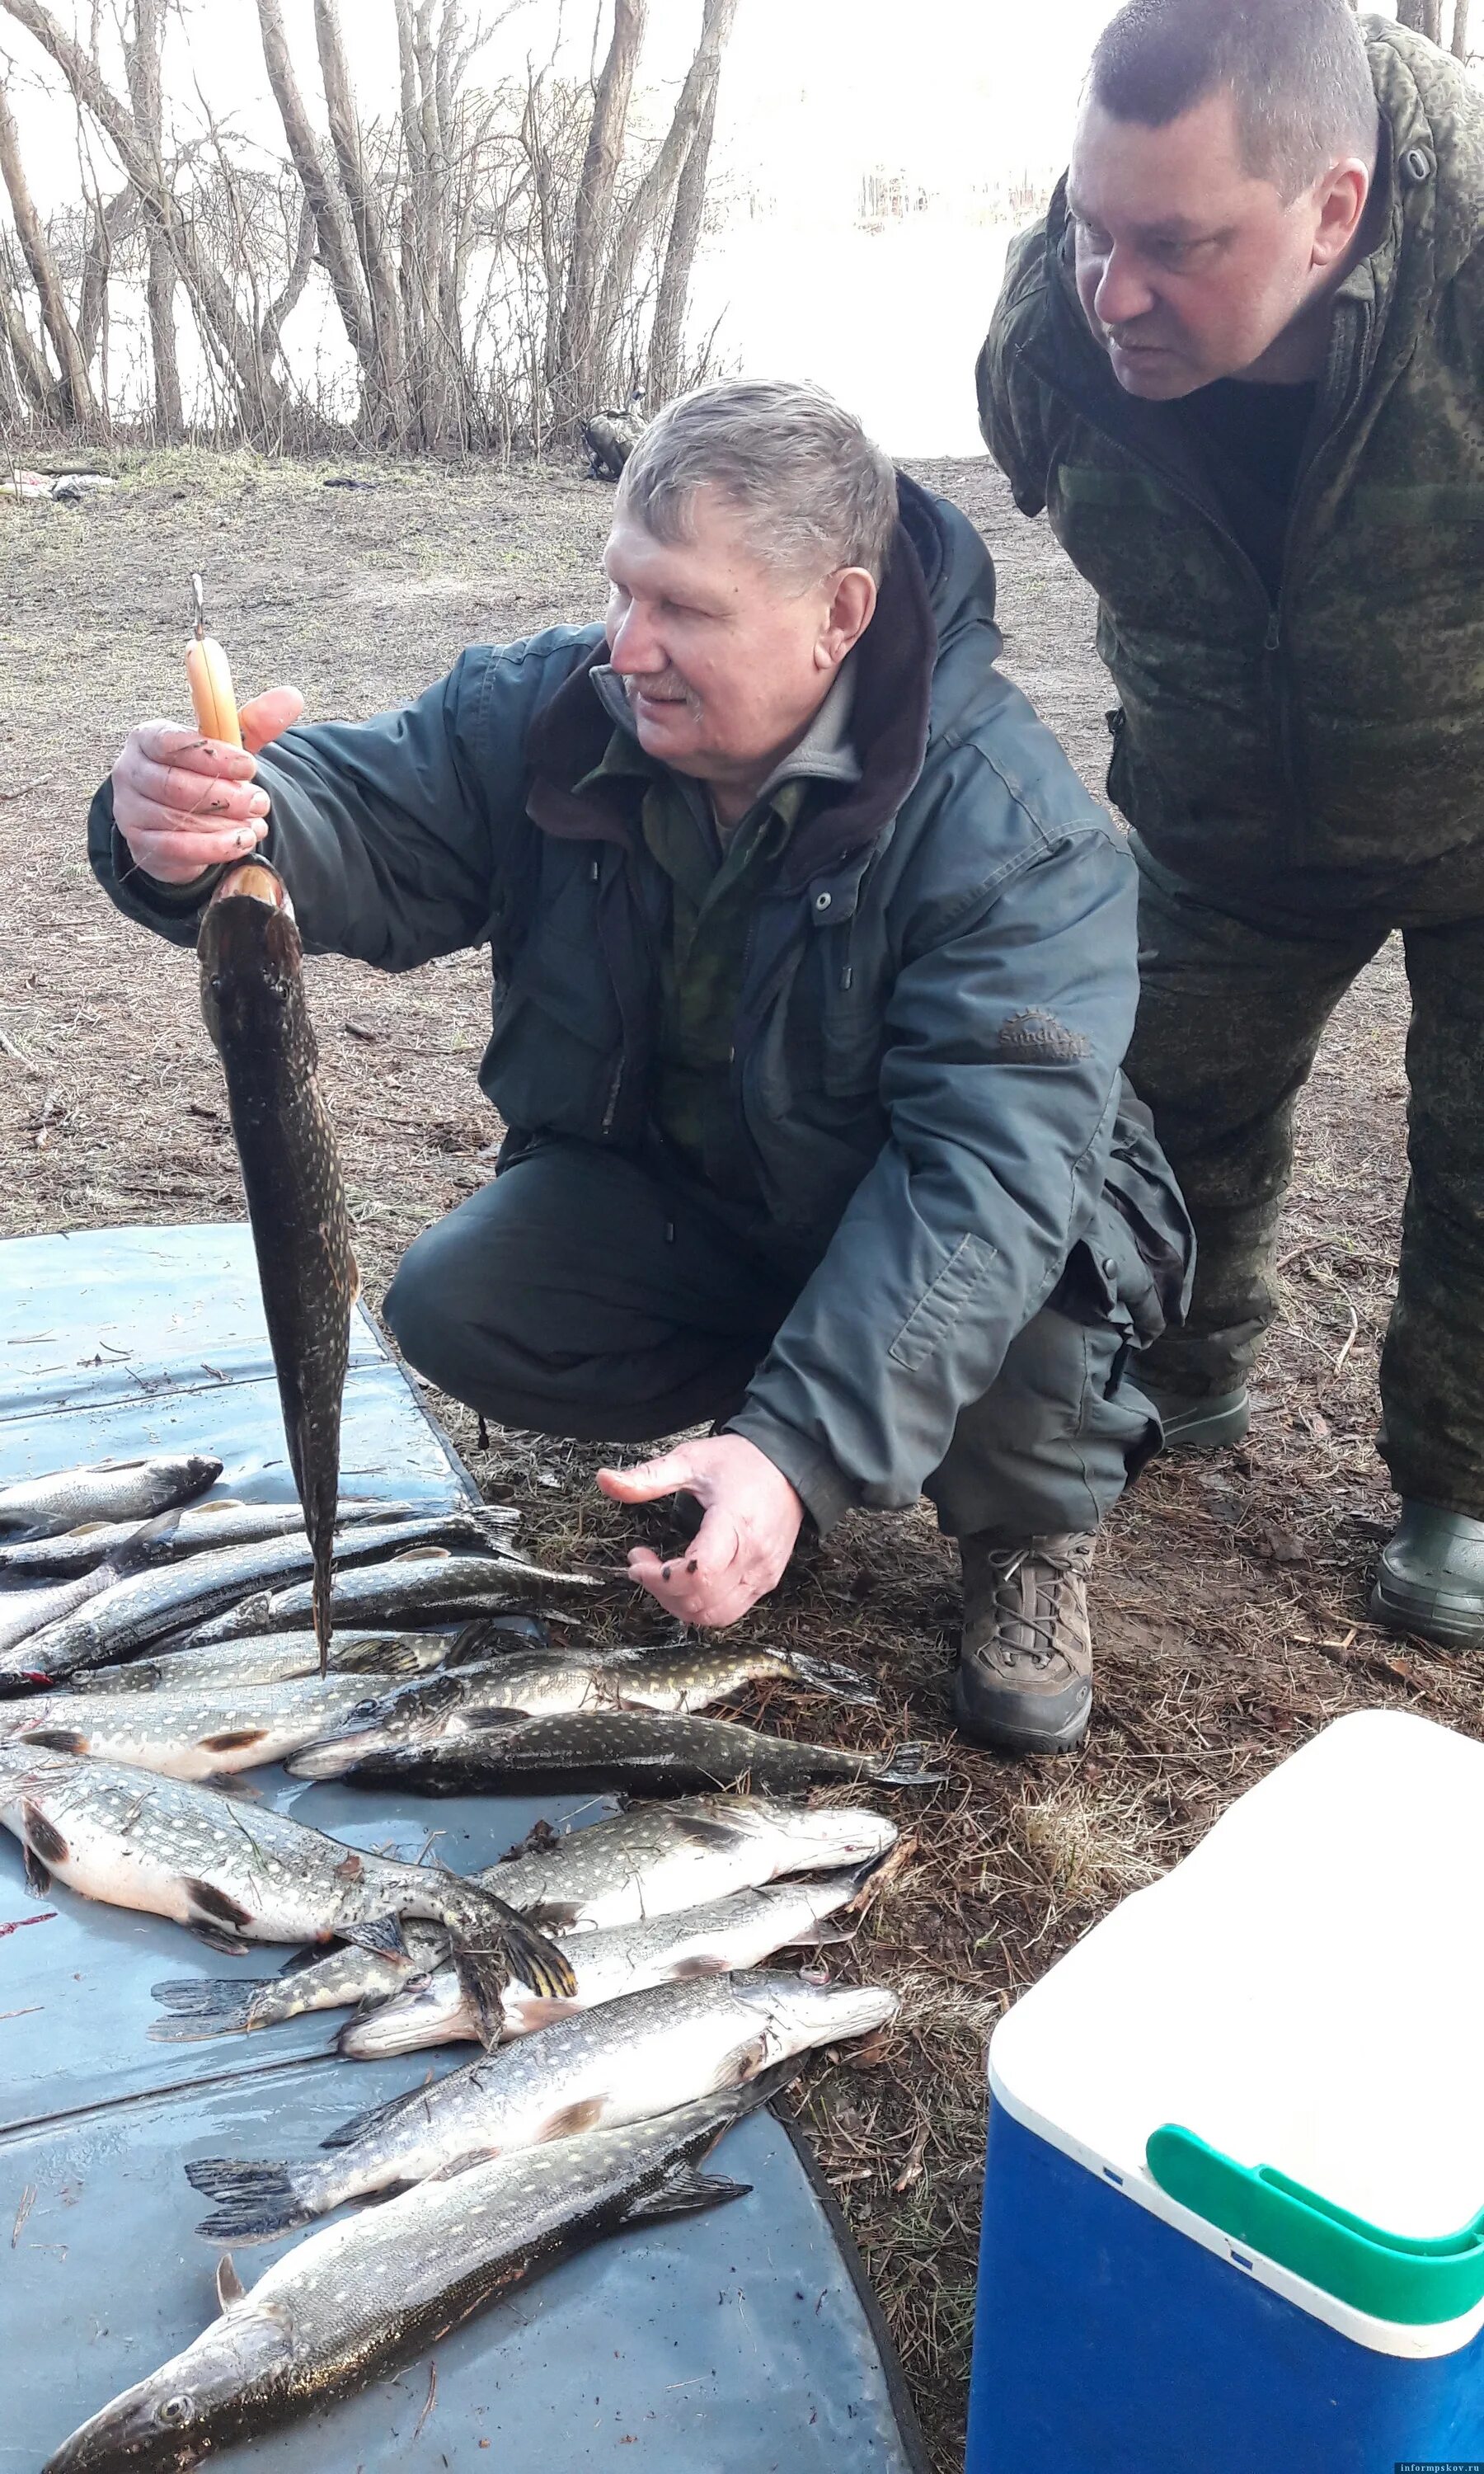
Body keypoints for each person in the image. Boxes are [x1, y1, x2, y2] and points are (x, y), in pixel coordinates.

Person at [92, 379, 1190, 1758]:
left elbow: (983, 1186)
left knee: (1013, 1283)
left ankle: (1022, 1528)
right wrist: (207, 823)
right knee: (460, 1303)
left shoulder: (1017, 836)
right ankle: (774, 1412)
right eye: (624, 591)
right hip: (703, 1195)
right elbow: (363, 813)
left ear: (837, 617)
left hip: (962, 1229)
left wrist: (795, 1452)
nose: (631, 646)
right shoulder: (562, 708)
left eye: (686, 611)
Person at [978, 0, 1484, 1650]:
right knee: (1165, 1111)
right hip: (1222, 796)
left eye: (1177, 247)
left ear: (1332, 212)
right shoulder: (1058, 334)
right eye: (1091, 230)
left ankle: (1461, 1485)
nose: (1115, 291)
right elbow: (1052, 477)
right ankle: (1174, 1385)